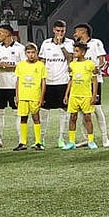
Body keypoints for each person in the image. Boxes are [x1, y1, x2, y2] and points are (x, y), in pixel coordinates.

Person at [72, 24, 109, 148]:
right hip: (81, 83)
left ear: (84, 32)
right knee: (82, 113)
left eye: (76, 32)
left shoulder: (96, 43)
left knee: (97, 109)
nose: (74, 34)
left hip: (94, 81)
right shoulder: (76, 46)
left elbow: (102, 60)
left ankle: (105, 137)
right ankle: (86, 139)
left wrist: (98, 69)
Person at [38, 21, 74, 149]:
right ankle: (41, 139)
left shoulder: (69, 43)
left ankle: (61, 138)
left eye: (62, 31)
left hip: (63, 81)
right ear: (53, 30)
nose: (60, 33)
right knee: (44, 111)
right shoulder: (46, 43)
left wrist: (61, 46)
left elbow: (70, 59)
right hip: (48, 82)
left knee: (64, 111)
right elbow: (42, 61)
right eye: (58, 31)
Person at [0, 24, 24, 149]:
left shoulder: (20, 48)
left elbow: (24, 66)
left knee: (18, 113)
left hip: (14, 85)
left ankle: (21, 140)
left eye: (0, 33)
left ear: (8, 34)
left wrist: (8, 66)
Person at [63, 42, 99, 150]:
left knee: (88, 118)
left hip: (86, 95)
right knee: (72, 117)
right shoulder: (72, 65)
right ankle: (71, 142)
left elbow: (94, 81)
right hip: (74, 95)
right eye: (74, 50)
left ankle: (91, 141)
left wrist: (93, 95)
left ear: (83, 52)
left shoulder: (90, 64)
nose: (74, 53)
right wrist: (66, 94)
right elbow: (71, 80)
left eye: (76, 51)